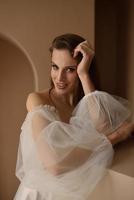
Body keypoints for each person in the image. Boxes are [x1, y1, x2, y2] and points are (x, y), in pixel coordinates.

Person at [14, 33, 134, 200]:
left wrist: (84, 75)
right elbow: (54, 165)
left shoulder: (83, 105)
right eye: (55, 67)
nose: (59, 78)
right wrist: (115, 137)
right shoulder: (37, 100)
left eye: (70, 69)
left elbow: (104, 127)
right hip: (42, 195)